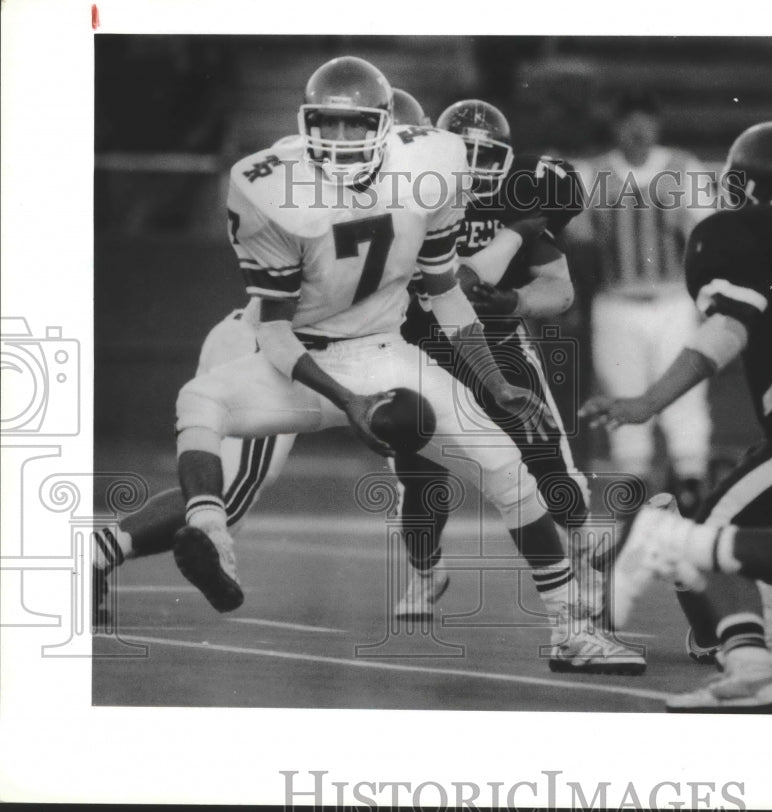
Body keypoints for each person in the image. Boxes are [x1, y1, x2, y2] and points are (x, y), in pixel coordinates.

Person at [169, 57, 644, 674]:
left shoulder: (435, 165)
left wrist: (496, 380)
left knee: (507, 465)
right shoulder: (268, 183)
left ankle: (571, 631)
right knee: (199, 400)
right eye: (326, 125)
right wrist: (346, 401)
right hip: (304, 357)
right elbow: (276, 326)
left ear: (389, 127)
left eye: (355, 126)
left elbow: (446, 289)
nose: (338, 141)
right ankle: (212, 535)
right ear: (304, 122)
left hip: (389, 352)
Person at [92, 87, 432, 626]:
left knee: (218, 493)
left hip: (253, 334)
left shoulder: (332, 176)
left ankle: (96, 555)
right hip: (276, 352)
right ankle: (93, 557)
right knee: (228, 498)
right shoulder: (341, 187)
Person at [582, 121, 772, 711]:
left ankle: (750, 669)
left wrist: (647, 402)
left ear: (745, 186)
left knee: (704, 539)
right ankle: (759, 652)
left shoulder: (745, 230)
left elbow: (727, 327)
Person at [394, 99, 610, 634]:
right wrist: (513, 234)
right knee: (421, 481)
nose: (469, 166)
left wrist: (516, 303)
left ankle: (583, 555)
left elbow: (560, 289)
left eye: (482, 156)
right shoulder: (407, 198)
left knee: (548, 461)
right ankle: (425, 569)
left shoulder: (515, 198)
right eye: (460, 153)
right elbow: (458, 282)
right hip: (416, 345)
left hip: (497, 341)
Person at [573, 94, 713, 515]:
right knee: (625, 396)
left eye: (644, 123)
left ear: (657, 126)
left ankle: (690, 489)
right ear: (616, 127)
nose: (637, 132)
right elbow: (575, 241)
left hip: (673, 300)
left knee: (684, 397)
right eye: (628, 123)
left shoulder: (684, 169)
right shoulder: (591, 173)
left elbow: (708, 238)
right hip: (616, 301)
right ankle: (634, 499)